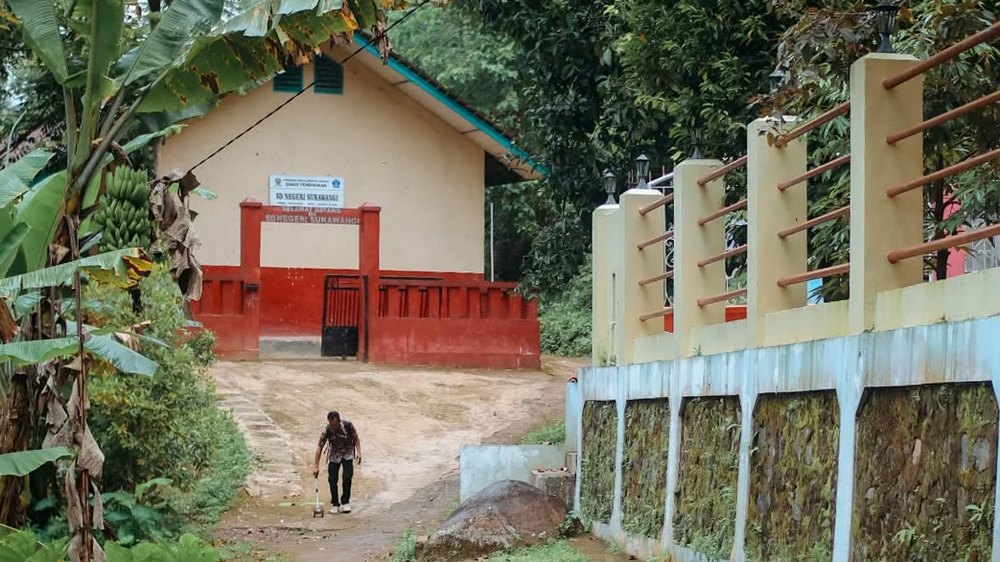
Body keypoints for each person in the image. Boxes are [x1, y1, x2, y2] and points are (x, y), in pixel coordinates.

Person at [313, 411, 362, 513]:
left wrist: (359, 452)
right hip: (334, 455)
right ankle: (335, 503)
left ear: (339, 421)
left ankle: (345, 502)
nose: (333, 427)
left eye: (335, 424)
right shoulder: (327, 429)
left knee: (347, 477)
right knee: (332, 479)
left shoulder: (348, 425)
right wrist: (316, 466)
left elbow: (356, 438)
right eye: (331, 424)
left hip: (347, 453)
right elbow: (319, 446)